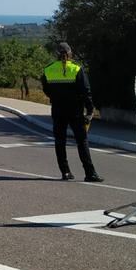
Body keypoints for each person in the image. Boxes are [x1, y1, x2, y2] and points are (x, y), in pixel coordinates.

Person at [40, 42, 103, 182]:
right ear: (70, 53)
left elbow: (46, 89)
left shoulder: (48, 69)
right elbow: (86, 92)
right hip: (75, 111)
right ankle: (90, 173)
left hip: (57, 110)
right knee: (82, 142)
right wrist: (90, 110)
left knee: (60, 141)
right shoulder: (76, 69)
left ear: (56, 55)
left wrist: (55, 98)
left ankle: (65, 172)